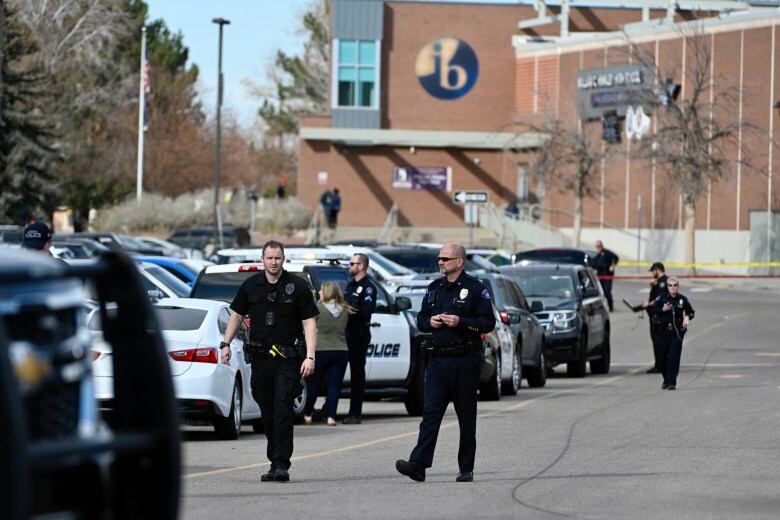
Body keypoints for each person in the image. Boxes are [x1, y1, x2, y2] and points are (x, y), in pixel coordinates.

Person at [396, 243, 496, 483]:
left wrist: (460, 322)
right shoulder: (434, 288)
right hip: (438, 360)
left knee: (465, 416)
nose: (440, 262)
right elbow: (420, 320)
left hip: (465, 361)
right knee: (430, 415)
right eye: (438, 258)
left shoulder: (475, 289)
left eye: (445, 258)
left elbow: (487, 323)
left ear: (459, 262)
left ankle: (466, 468)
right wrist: (432, 322)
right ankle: (418, 464)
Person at [219, 240, 318, 482]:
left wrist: (310, 356)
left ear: (283, 259)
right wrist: (226, 343)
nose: (273, 262)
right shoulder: (251, 286)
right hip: (260, 360)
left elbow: (309, 323)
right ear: (262, 260)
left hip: (287, 360)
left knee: (282, 407)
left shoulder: (298, 286)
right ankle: (274, 459)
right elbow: (236, 315)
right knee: (267, 412)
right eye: (269, 258)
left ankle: (282, 463)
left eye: (277, 258)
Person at [303, 282, 352, 426]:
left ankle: (307, 414)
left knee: (314, 385)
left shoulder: (318, 309)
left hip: (320, 350)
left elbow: (308, 327)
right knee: (334, 386)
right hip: (341, 351)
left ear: (326, 292)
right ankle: (331, 417)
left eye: (321, 290)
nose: (319, 292)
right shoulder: (345, 309)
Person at [342, 253, 377, 424]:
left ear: (361, 266)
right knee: (336, 372)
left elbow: (366, 312)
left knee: (357, 374)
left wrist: (350, 311)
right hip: (345, 333)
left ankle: (355, 412)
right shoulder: (350, 285)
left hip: (358, 334)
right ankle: (329, 409)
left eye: (352, 263)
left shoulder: (368, 287)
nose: (349, 266)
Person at [652, 276, 694, 390]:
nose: (672, 288)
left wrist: (687, 317)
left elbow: (691, 312)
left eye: (675, 285)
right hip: (662, 332)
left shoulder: (682, 299)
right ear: (667, 287)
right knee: (662, 358)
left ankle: (672, 382)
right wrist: (662, 309)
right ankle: (666, 379)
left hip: (676, 333)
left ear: (678, 286)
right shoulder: (661, 298)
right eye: (670, 285)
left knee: (674, 358)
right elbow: (653, 310)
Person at [640, 262, 669, 374]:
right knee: (659, 341)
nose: (652, 273)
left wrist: (649, 304)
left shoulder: (662, 283)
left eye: (653, 271)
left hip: (659, 317)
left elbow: (660, 298)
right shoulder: (660, 282)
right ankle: (661, 364)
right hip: (657, 316)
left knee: (659, 342)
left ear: (657, 270)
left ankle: (660, 366)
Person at [592, 240, 619, 312]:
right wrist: (594, 270)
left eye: (600, 246)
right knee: (601, 292)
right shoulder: (596, 257)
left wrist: (612, 266)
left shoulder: (607, 253)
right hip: (600, 277)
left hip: (607, 276)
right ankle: (602, 307)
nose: (599, 247)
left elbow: (616, 258)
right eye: (597, 246)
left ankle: (611, 306)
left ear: (602, 246)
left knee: (607, 291)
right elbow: (593, 266)